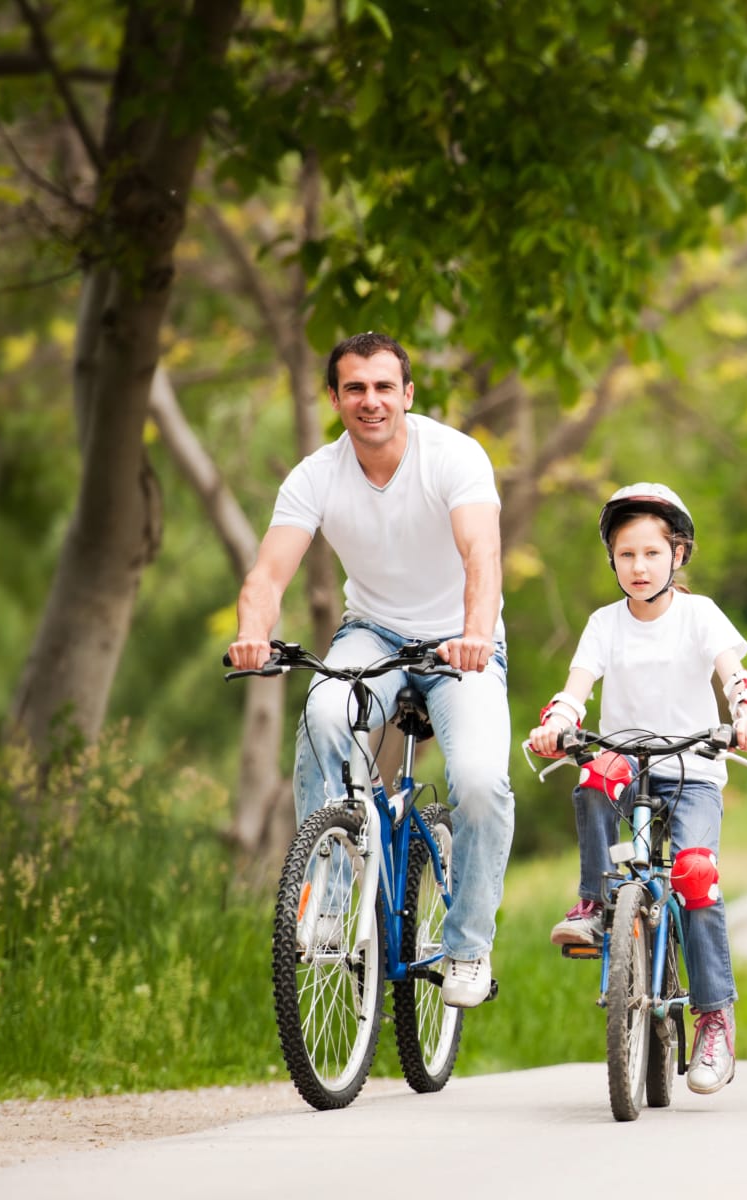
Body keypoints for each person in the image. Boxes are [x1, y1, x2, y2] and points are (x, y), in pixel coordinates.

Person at [228, 331, 514, 1009]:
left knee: (477, 781)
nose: (371, 400)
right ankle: (329, 902)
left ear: (408, 394)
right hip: (373, 635)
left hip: (457, 643)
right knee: (324, 712)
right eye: (355, 387)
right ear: (335, 398)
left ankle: (469, 946)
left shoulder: (453, 456)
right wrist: (251, 633)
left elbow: (482, 557)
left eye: (385, 386)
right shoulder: (316, 475)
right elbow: (267, 575)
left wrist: (476, 635)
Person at [526, 482, 747, 1095]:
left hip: (693, 766)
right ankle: (592, 905)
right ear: (611, 559)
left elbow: (737, 677)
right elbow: (575, 689)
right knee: (591, 774)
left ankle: (714, 1017)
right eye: (626, 554)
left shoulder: (700, 615)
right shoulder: (603, 624)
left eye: (652, 554)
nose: (639, 567)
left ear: (678, 556)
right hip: (625, 762)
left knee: (693, 873)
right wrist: (557, 722)